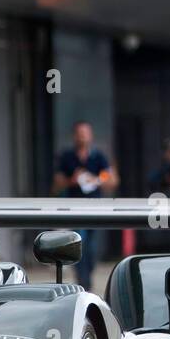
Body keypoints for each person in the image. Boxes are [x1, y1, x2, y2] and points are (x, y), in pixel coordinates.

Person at [52, 120, 118, 289]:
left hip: (94, 209)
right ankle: (83, 282)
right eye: (80, 134)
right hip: (74, 209)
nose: (82, 137)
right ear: (75, 136)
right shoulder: (67, 157)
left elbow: (111, 179)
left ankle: (86, 278)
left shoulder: (98, 157)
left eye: (85, 134)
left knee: (91, 248)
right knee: (79, 243)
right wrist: (71, 180)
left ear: (90, 136)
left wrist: (96, 180)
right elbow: (56, 184)